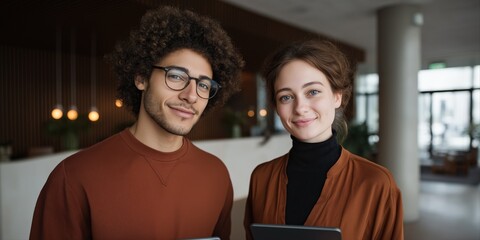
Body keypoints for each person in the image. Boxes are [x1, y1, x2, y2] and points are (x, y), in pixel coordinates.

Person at [30, 6, 244, 240]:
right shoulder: (73, 177)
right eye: (175, 76)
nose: (191, 95)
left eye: (203, 85)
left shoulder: (216, 175)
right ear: (141, 77)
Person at [244, 39, 404, 240]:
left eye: (313, 92)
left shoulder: (376, 183)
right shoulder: (262, 178)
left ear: (337, 96)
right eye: (286, 97)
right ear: (276, 107)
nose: (300, 107)